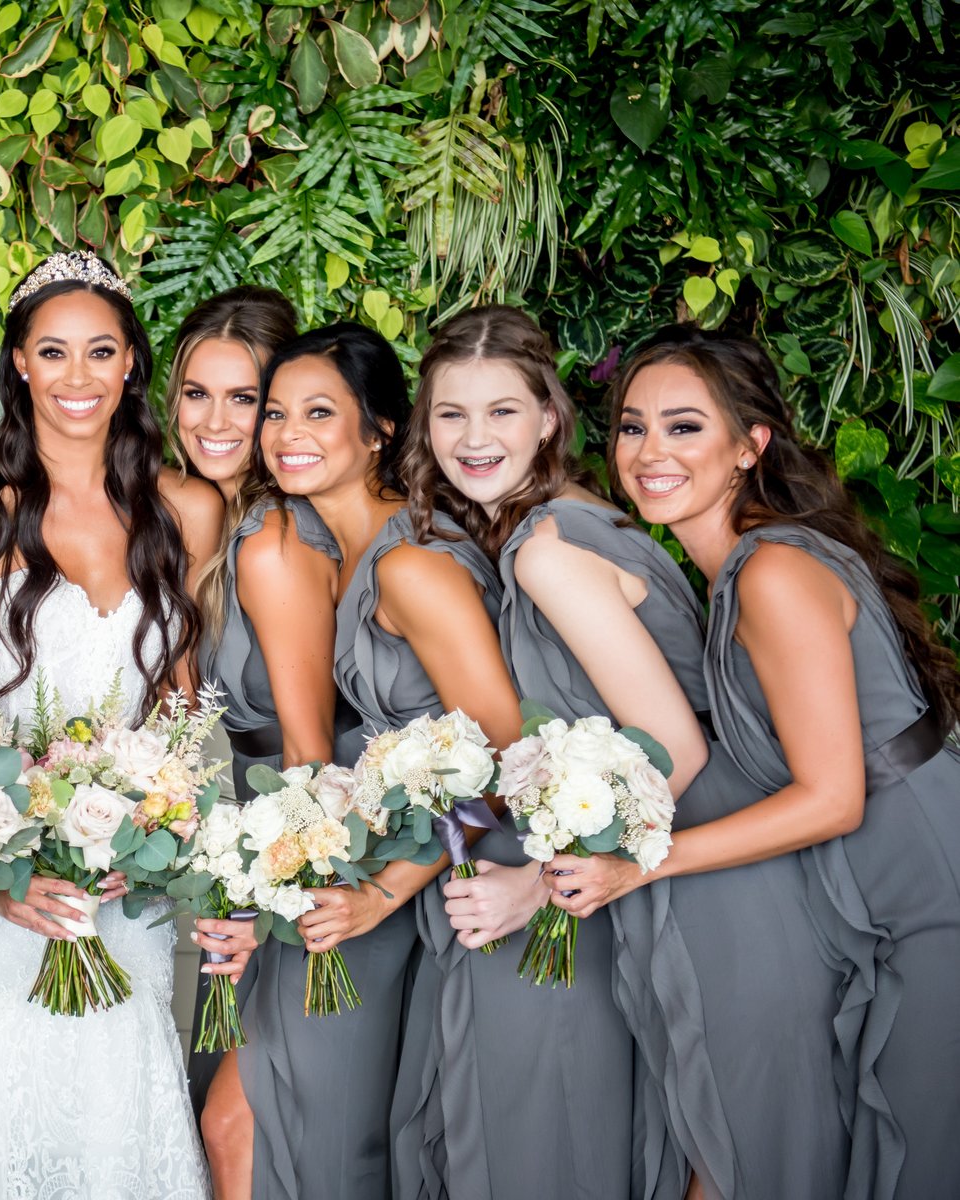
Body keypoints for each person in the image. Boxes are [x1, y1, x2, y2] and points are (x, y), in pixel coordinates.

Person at [395, 306, 796, 1199]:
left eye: (502, 411)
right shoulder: (558, 523)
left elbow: (677, 750)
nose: (473, 437)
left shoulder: (548, 551)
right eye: (450, 413)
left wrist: (534, 886)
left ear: (548, 417)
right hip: (646, 866)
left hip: (688, 867)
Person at [558, 324, 960, 1199]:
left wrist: (639, 863)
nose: (649, 452)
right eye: (631, 427)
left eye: (683, 426)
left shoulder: (772, 571)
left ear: (749, 445)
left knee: (919, 1154)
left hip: (921, 886)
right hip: (863, 884)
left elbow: (831, 798)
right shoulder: (736, 568)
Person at [0, 250, 220, 1198]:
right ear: (19, 365)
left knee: (116, 1120)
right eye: (53, 351)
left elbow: (181, 709)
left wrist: (155, 824)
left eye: (100, 351)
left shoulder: (186, 508)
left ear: (130, 364)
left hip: (126, 888)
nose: (78, 375)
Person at [212, 323, 523, 1199]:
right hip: (375, 862)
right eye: (275, 413)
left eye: (318, 413)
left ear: (380, 430)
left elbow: (507, 756)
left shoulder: (411, 565)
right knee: (278, 1129)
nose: (286, 434)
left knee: (285, 1129)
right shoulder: (333, 543)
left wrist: (380, 894)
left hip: (437, 873)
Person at [163, 287, 306, 1122]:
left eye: (243, 399)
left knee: (239, 1113)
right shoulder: (192, 514)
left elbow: (312, 743)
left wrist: (270, 891)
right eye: (196, 393)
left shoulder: (274, 537)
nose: (213, 422)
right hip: (211, 835)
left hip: (290, 845)